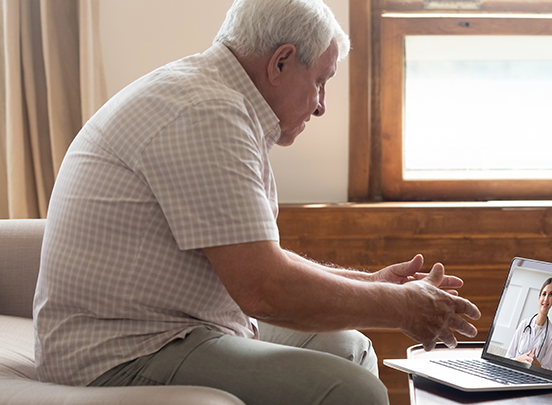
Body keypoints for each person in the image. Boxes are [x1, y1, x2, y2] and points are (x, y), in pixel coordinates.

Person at [32, 1, 481, 404]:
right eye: (321, 81)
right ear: (281, 61)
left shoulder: (212, 97)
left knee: (349, 345)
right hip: (121, 350)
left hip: (172, 323)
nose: (322, 105)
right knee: (352, 389)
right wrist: (400, 305)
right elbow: (265, 289)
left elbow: (253, 257)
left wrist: (376, 284)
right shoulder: (206, 114)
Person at [505, 277, 552, 370]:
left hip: (531, 378)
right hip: (513, 371)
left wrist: (538, 367)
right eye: (544, 294)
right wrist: (518, 359)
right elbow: (507, 358)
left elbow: (547, 369)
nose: (546, 299)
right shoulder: (524, 324)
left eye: (551, 294)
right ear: (539, 298)